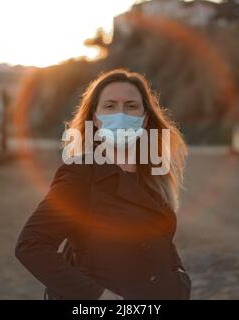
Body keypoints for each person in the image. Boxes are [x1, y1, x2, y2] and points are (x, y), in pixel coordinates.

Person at [15, 68, 191, 300]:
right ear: (96, 120)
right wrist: (98, 296)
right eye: (110, 106)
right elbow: (31, 246)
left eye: (131, 106)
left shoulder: (152, 175)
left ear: (144, 118)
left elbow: (159, 241)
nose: (121, 114)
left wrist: (179, 277)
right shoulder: (81, 173)